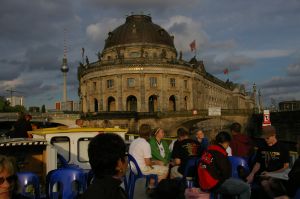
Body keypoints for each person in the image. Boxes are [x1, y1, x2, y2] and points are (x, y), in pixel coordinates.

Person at [204, 132, 251, 199]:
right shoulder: (221, 153)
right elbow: (226, 174)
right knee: (246, 188)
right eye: (228, 144)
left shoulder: (208, 150)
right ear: (226, 142)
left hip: (204, 182)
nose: (228, 146)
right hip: (214, 184)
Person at [246, 125, 289, 198]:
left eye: (267, 138)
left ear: (274, 135)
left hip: (277, 175)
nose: (266, 140)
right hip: (264, 175)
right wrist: (252, 174)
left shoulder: (282, 147)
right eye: (264, 138)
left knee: (272, 182)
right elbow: (258, 163)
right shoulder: (262, 146)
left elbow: (286, 166)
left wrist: (270, 174)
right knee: (264, 183)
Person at [80, 133, 128, 199]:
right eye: (125, 156)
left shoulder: (89, 192)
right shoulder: (117, 194)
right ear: (119, 164)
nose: (127, 160)